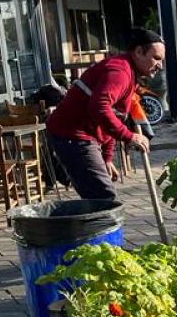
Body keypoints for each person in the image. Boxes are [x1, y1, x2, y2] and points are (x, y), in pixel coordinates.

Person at [45, 28, 164, 201]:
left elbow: (113, 115)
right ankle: (83, 228)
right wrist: (129, 136)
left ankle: (91, 226)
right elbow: (99, 107)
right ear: (139, 52)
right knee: (103, 198)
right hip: (72, 135)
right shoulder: (120, 72)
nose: (160, 65)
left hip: (81, 135)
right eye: (156, 58)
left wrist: (107, 158)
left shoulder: (128, 73)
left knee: (100, 198)